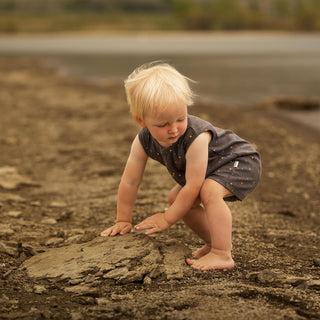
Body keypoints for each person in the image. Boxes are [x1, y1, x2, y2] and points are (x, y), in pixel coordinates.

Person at [100, 62, 261, 270]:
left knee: (209, 191)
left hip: (240, 160)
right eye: (163, 124)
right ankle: (213, 243)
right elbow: (130, 181)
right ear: (142, 121)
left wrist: (167, 218)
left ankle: (222, 253)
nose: (174, 129)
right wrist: (123, 219)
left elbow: (193, 185)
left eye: (180, 118)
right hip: (213, 169)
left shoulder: (197, 137)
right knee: (176, 199)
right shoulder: (142, 141)